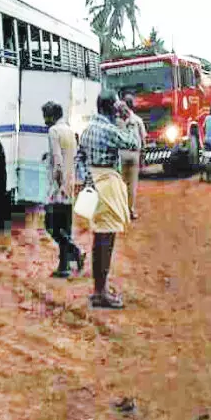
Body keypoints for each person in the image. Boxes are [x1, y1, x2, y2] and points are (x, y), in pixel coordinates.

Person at [76, 90, 140, 309]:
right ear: (112, 108)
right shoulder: (110, 130)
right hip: (107, 184)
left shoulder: (87, 130)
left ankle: (98, 289)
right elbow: (134, 143)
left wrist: (87, 180)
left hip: (92, 184)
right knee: (106, 240)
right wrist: (128, 118)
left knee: (99, 239)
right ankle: (100, 292)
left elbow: (80, 159)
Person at [42, 101, 85, 278]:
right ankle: (64, 266)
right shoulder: (68, 130)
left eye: (46, 115)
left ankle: (75, 251)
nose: (44, 120)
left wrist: (57, 185)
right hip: (70, 182)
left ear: (52, 116)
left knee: (51, 225)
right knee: (65, 226)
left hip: (58, 186)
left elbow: (58, 161)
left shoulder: (53, 131)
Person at [117, 93, 146, 220]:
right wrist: (143, 157)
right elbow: (143, 139)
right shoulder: (138, 120)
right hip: (134, 154)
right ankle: (130, 211)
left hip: (121, 154)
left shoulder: (117, 122)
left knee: (121, 184)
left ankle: (121, 211)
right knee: (132, 185)